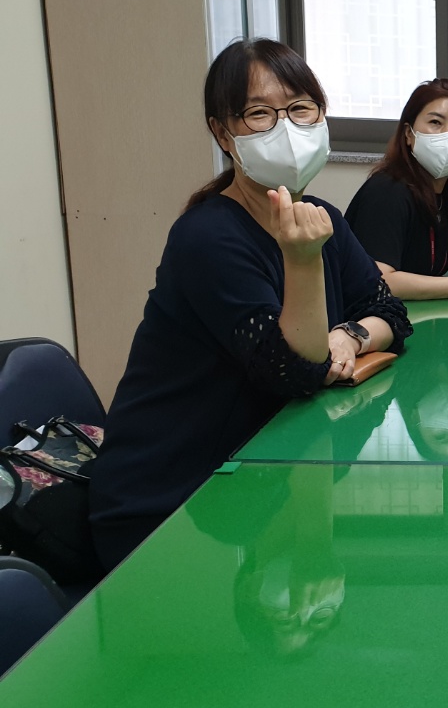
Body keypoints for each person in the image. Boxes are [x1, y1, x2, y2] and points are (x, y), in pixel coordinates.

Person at [87, 39, 413, 571]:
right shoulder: (207, 237)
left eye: (301, 109)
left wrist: (349, 335)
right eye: (260, 114)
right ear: (223, 133)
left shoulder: (322, 217)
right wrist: (302, 260)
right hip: (171, 503)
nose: (287, 128)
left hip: (262, 483)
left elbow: (391, 313)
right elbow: (296, 370)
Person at [344, 78, 448, 299]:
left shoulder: (444, 197)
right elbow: (380, 281)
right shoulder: (387, 191)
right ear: (408, 134)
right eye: (436, 122)